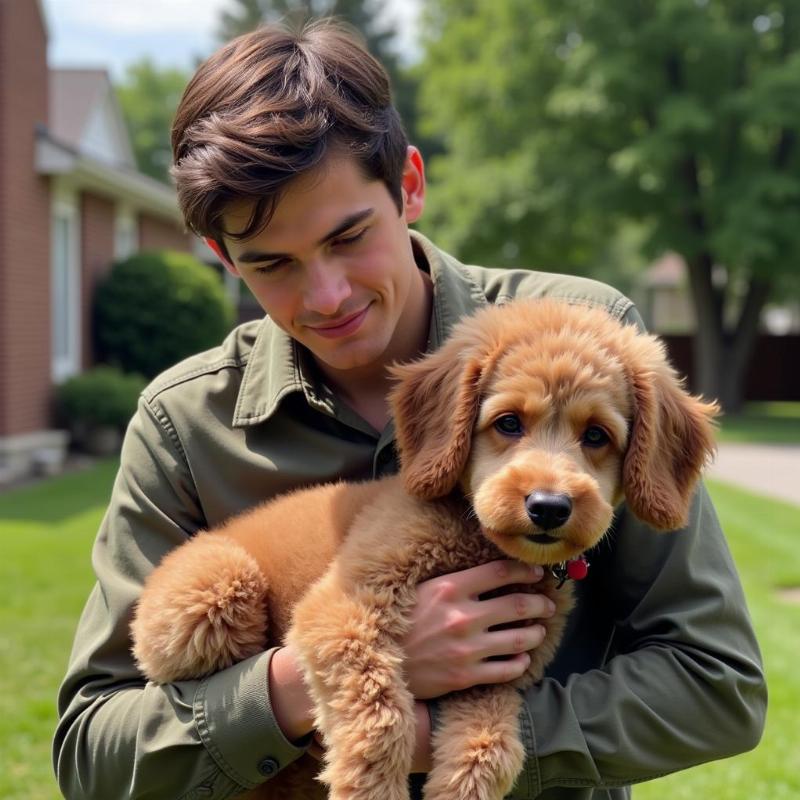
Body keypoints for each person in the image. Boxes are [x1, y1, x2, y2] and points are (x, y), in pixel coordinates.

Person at [53, 20, 766, 800]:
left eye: (349, 236)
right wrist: (297, 687)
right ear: (223, 257)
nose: (326, 296)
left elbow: (715, 685)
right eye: (271, 264)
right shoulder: (183, 424)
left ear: (410, 186)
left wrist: (469, 741)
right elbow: (93, 750)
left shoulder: (588, 341)